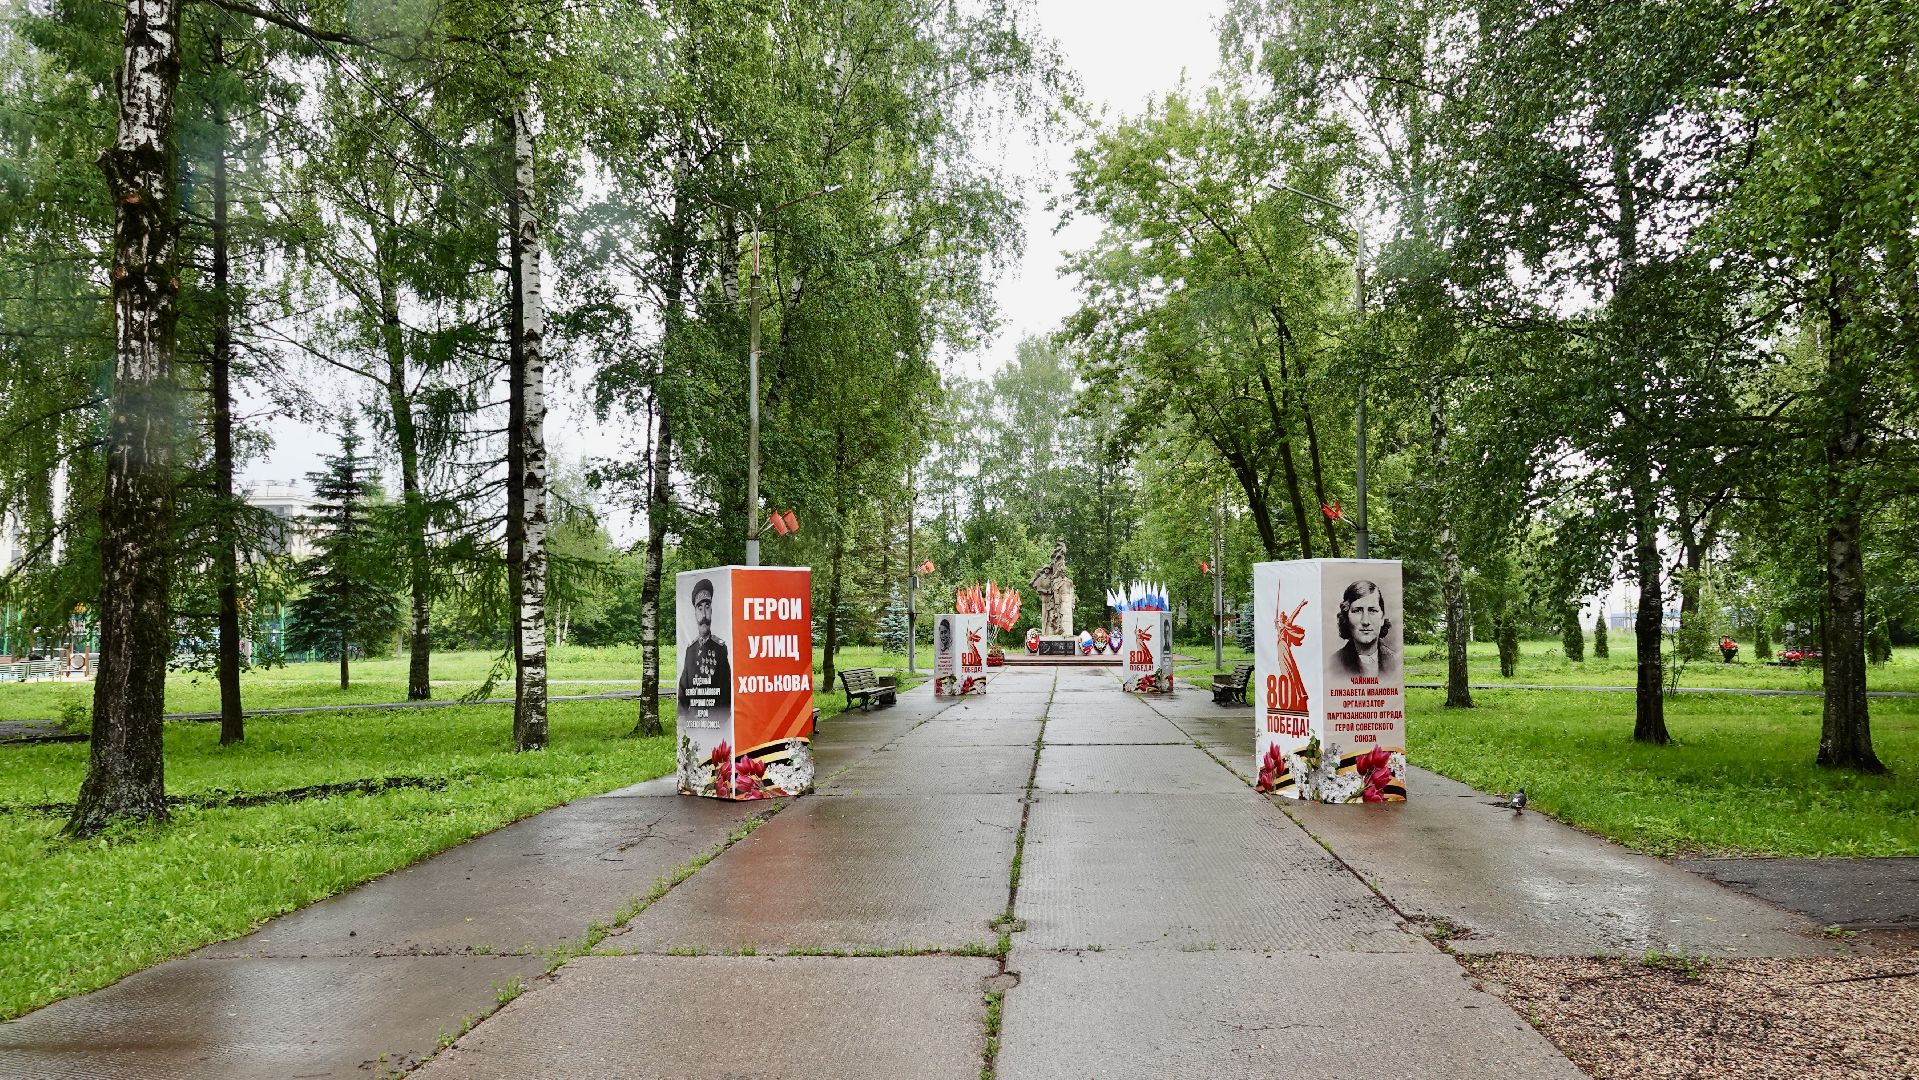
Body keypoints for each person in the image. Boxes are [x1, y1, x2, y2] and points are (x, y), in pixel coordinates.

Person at [678, 577, 731, 713]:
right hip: (693, 722)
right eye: (699, 607)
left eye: (707, 606)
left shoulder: (720, 649)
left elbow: (726, 696)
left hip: (714, 721)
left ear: (711, 610)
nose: (704, 614)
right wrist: (683, 719)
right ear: (695, 613)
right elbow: (683, 693)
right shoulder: (690, 650)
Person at [1328, 580, 1397, 679]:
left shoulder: (1396, 662)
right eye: (1357, 611)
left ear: (1382, 618)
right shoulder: (1333, 664)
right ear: (1347, 618)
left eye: (1372, 610)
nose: (1365, 621)